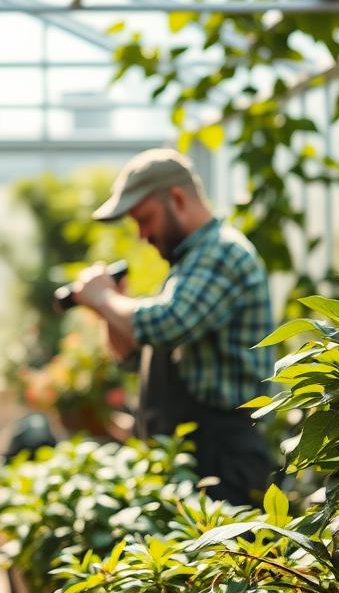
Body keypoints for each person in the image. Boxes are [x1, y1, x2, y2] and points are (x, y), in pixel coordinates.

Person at [70, 148, 274, 507]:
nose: (141, 234)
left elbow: (167, 324)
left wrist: (104, 299)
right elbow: (133, 354)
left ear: (177, 199)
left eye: (144, 218)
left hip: (225, 461)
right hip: (192, 458)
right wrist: (110, 306)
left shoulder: (222, 253)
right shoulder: (189, 265)